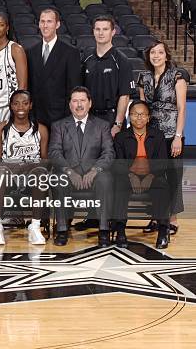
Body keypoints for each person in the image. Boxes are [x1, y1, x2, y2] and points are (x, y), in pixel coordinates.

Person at [76, 14, 134, 231]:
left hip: (111, 119)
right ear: (93, 32)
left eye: (104, 29)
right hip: (90, 121)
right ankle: (93, 216)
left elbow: (124, 95)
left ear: (113, 32)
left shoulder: (122, 60)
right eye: (97, 29)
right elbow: (80, 94)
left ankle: (112, 218)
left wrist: (118, 123)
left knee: (111, 170)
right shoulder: (86, 59)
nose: (100, 33)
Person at [48, 86, 115, 247]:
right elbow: (54, 152)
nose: (79, 105)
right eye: (75, 101)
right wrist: (70, 172)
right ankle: (62, 230)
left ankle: (104, 230)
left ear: (90, 103)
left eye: (82, 101)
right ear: (70, 104)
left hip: (95, 174)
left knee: (105, 180)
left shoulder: (102, 125)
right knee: (58, 180)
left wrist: (94, 171)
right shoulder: (59, 126)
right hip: (69, 173)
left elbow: (108, 153)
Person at [138, 40, 188, 236]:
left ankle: (172, 219)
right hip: (152, 135)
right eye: (153, 53)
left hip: (171, 135)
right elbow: (141, 108)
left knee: (173, 177)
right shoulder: (144, 77)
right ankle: (156, 216)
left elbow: (182, 108)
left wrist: (178, 136)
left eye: (160, 52)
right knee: (154, 176)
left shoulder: (177, 76)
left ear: (166, 55)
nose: (156, 56)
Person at [0, 90, 49, 245]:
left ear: (30, 105)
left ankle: (35, 227)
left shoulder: (41, 130)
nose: (20, 107)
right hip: (9, 176)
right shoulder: (1, 129)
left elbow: (44, 162)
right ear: (11, 106)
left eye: (24, 103)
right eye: (16, 103)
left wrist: (28, 167)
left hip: (31, 176)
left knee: (41, 174)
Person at [113, 100, 171, 249]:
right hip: (128, 176)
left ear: (148, 117)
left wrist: (149, 177)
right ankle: (120, 230)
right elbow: (119, 163)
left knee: (162, 186)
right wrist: (131, 176)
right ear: (129, 117)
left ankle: (163, 231)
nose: (138, 118)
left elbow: (162, 163)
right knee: (118, 186)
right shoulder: (121, 137)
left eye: (142, 114)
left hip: (152, 176)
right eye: (134, 114)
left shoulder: (158, 136)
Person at [27, 8, 81, 128]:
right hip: (36, 117)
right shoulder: (31, 52)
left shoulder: (70, 52)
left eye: (49, 22)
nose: (45, 26)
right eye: (42, 21)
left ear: (57, 24)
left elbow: (74, 88)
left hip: (60, 118)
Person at [0, 12, 28, 129]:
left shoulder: (15, 49)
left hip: (7, 105)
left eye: (1, 24)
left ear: (7, 28)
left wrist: (17, 107)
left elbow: (23, 84)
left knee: (7, 142)